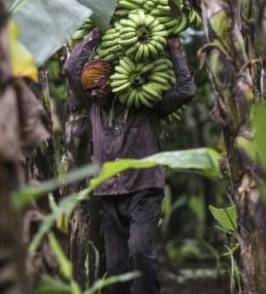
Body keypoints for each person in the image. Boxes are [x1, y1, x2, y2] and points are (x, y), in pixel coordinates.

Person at [63, 28, 196, 293]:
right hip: (108, 194)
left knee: (140, 254)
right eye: (88, 90)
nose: (92, 94)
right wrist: (98, 34)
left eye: (98, 87)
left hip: (143, 190)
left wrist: (175, 50)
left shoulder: (143, 103)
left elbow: (185, 89)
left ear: (112, 81)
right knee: (116, 269)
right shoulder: (93, 109)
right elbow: (70, 68)